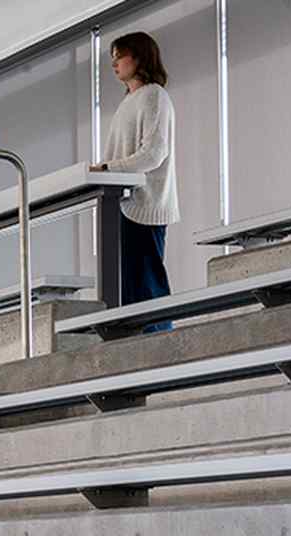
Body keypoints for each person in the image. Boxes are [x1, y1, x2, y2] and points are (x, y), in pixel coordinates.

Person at [91, 31, 178, 330]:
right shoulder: (129, 101)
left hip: (144, 204)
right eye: (112, 57)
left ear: (139, 56)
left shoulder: (154, 95)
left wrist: (107, 167)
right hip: (121, 202)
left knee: (146, 283)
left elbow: (153, 153)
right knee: (126, 287)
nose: (114, 63)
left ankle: (162, 348)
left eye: (120, 56)